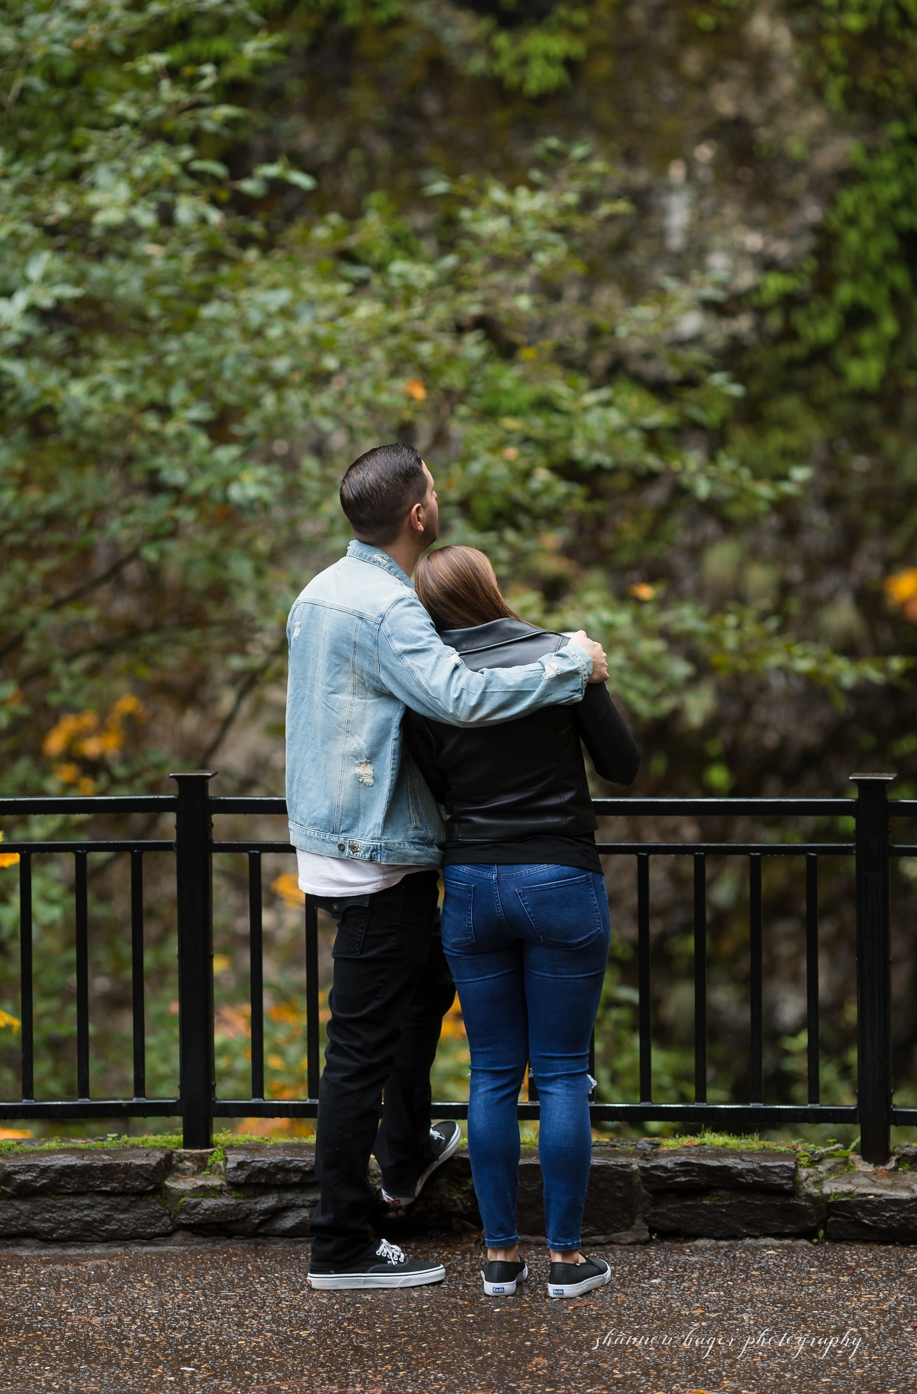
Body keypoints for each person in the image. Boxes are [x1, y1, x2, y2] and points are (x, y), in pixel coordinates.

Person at [288, 444, 609, 1291]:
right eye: (433, 488)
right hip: (378, 854)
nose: (438, 496)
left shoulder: (320, 591)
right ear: (420, 516)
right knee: (359, 1051)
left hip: (334, 837)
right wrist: (567, 665)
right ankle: (342, 1244)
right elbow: (462, 699)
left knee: (428, 988)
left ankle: (408, 1147)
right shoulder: (390, 610)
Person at [401, 544, 639, 1299]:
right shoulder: (561, 657)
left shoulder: (431, 678)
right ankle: (567, 1261)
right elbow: (623, 763)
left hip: (471, 884)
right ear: (490, 587)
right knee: (563, 1072)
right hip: (559, 877)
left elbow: (434, 782)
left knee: (492, 1072)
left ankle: (501, 1258)